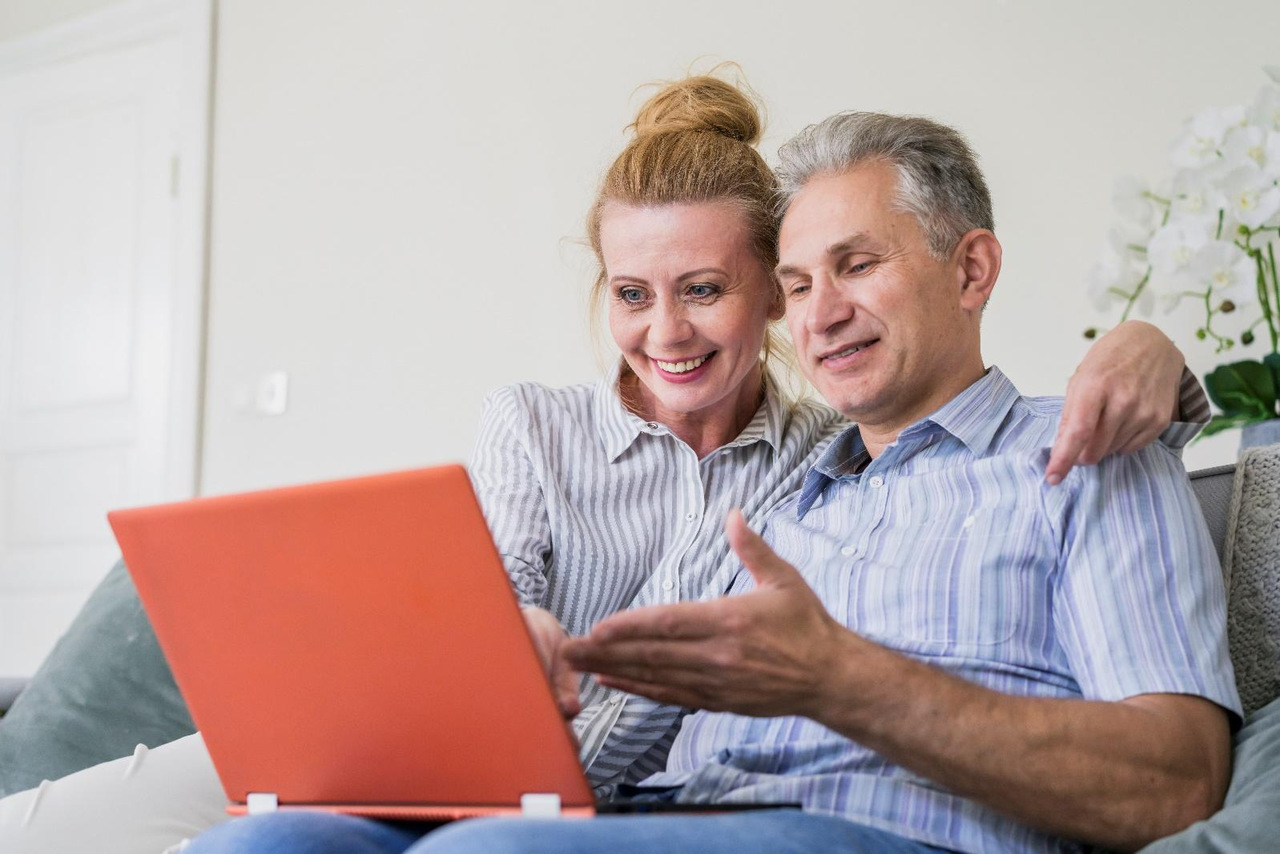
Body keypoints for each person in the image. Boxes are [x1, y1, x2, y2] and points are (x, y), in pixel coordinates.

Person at [0, 76, 1203, 854]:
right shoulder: (792, 476)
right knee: (251, 841)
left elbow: (1175, 777)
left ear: (971, 269)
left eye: (855, 267)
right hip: (520, 779)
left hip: (795, 819)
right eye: (797, 280)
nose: (816, 311)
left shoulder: (1048, 452)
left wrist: (1160, 352)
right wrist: (510, 649)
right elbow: (527, 602)